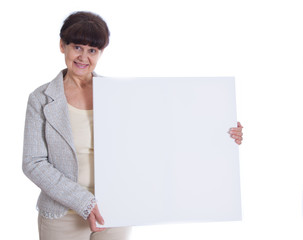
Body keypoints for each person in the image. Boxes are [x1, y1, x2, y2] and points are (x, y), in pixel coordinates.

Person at [22, 11, 243, 240]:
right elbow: (33, 163)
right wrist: (84, 201)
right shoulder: (40, 99)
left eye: (92, 50)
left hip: (115, 210)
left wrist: (220, 130)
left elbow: (164, 132)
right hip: (63, 216)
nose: (83, 57)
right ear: (62, 46)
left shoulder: (117, 95)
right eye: (77, 47)